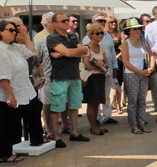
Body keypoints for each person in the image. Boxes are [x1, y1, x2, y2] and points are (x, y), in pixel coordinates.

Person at [0, 20, 46, 163]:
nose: (14, 32)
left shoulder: (13, 47)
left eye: (15, 30)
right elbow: (3, 75)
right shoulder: (1, 50)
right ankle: (5, 154)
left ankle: (37, 139)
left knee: (35, 108)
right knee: (7, 124)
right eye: (11, 30)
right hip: (10, 92)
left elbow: (33, 54)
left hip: (25, 89)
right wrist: (10, 94)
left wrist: (25, 37)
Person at [47, 12, 91, 147]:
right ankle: (56, 135)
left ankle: (75, 133)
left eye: (67, 20)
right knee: (57, 107)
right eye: (64, 21)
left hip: (74, 76)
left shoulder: (73, 36)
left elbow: (85, 50)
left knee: (75, 105)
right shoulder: (51, 38)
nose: (67, 22)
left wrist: (63, 53)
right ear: (55, 24)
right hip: (60, 77)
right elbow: (71, 52)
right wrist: (68, 52)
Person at [83, 13, 119, 125]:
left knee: (106, 95)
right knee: (94, 99)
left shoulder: (107, 36)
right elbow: (86, 60)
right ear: (93, 22)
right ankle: (96, 118)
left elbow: (112, 53)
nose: (103, 22)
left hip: (107, 71)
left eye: (104, 21)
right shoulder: (85, 39)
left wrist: (115, 67)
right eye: (100, 20)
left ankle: (107, 116)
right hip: (92, 74)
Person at [122, 18, 154, 134]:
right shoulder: (126, 43)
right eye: (135, 29)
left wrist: (151, 67)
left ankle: (141, 123)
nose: (137, 31)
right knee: (132, 101)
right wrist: (139, 72)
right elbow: (125, 62)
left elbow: (151, 56)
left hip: (144, 74)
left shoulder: (144, 42)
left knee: (142, 100)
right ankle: (134, 125)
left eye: (139, 28)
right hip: (132, 75)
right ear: (129, 30)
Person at [82, 24, 109, 136]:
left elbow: (107, 63)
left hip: (100, 77)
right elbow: (87, 65)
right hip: (91, 78)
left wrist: (102, 65)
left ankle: (95, 126)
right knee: (91, 103)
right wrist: (98, 67)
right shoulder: (86, 48)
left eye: (102, 33)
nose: (100, 35)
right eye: (98, 33)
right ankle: (93, 126)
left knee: (97, 102)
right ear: (91, 34)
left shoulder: (101, 47)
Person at [36, 12, 58, 139]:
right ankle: (49, 129)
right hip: (47, 77)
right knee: (47, 104)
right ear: (46, 25)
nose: (55, 23)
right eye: (52, 21)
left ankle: (61, 126)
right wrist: (39, 78)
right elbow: (37, 61)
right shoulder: (40, 41)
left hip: (61, 76)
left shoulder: (63, 38)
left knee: (62, 103)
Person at [106, 16, 125, 114]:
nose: (113, 24)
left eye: (115, 22)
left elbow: (123, 47)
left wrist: (117, 56)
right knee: (107, 84)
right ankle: (109, 105)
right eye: (111, 22)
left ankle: (118, 105)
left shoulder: (120, 33)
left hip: (118, 60)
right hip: (108, 60)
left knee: (119, 84)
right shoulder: (106, 34)